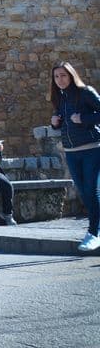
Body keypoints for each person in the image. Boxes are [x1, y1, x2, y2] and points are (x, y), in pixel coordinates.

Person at [50, 62, 100, 252]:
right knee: (83, 192)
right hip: (71, 152)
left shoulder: (85, 92)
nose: (60, 79)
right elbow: (62, 122)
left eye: (63, 75)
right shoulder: (59, 97)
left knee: (91, 191)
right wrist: (55, 123)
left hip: (92, 149)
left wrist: (84, 119)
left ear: (71, 75)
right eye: (56, 76)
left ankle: (93, 233)